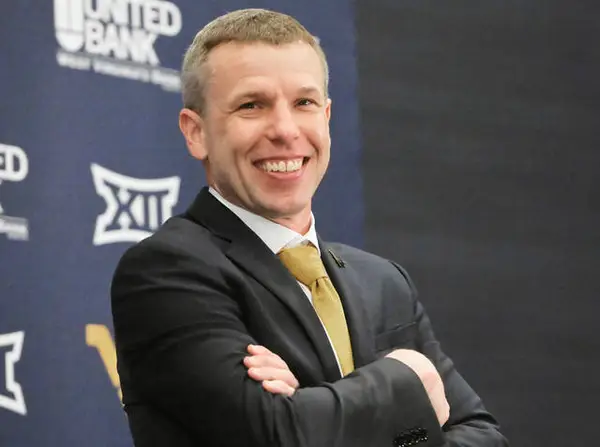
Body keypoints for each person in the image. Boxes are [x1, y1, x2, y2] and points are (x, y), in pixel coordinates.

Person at [111, 8, 508, 447]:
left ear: (327, 116)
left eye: (304, 103)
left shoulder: (383, 283)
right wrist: (406, 379)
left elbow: (484, 437)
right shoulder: (166, 272)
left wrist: (312, 405)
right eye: (251, 105)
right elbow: (279, 436)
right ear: (196, 132)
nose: (285, 130)